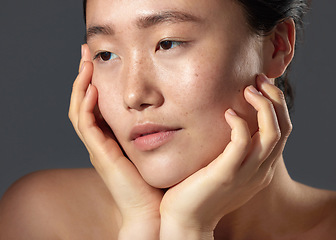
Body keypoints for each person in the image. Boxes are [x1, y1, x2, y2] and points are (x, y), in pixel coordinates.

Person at [0, 0, 336, 239]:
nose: (133, 95)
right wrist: (143, 223)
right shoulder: (41, 219)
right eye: (106, 54)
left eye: (168, 43)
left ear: (277, 46)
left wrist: (188, 229)